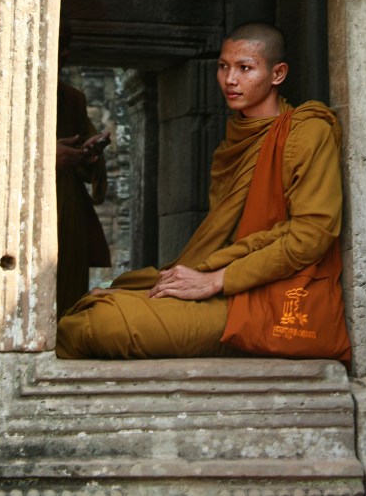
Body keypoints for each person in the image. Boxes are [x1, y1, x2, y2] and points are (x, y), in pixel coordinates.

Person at [56, 21, 345, 359]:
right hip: (223, 282)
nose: (230, 79)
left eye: (245, 68)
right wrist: (203, 277)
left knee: (97, 325)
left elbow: (312, 235)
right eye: (223, 67)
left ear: (277, 74)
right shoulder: (233, 141)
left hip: (270, 295)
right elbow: (225, 237)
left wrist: (216, 280)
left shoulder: (307, 131)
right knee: (101, 301)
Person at [56, 18, 111, 317]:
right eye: (59, 43)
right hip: (23, 218)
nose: (65, 54)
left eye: (68, 46)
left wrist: (89, 156)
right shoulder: (2, 92)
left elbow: (88, 159)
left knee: (67, 306)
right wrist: (48, 158)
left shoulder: (72, 100)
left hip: (68, 217)